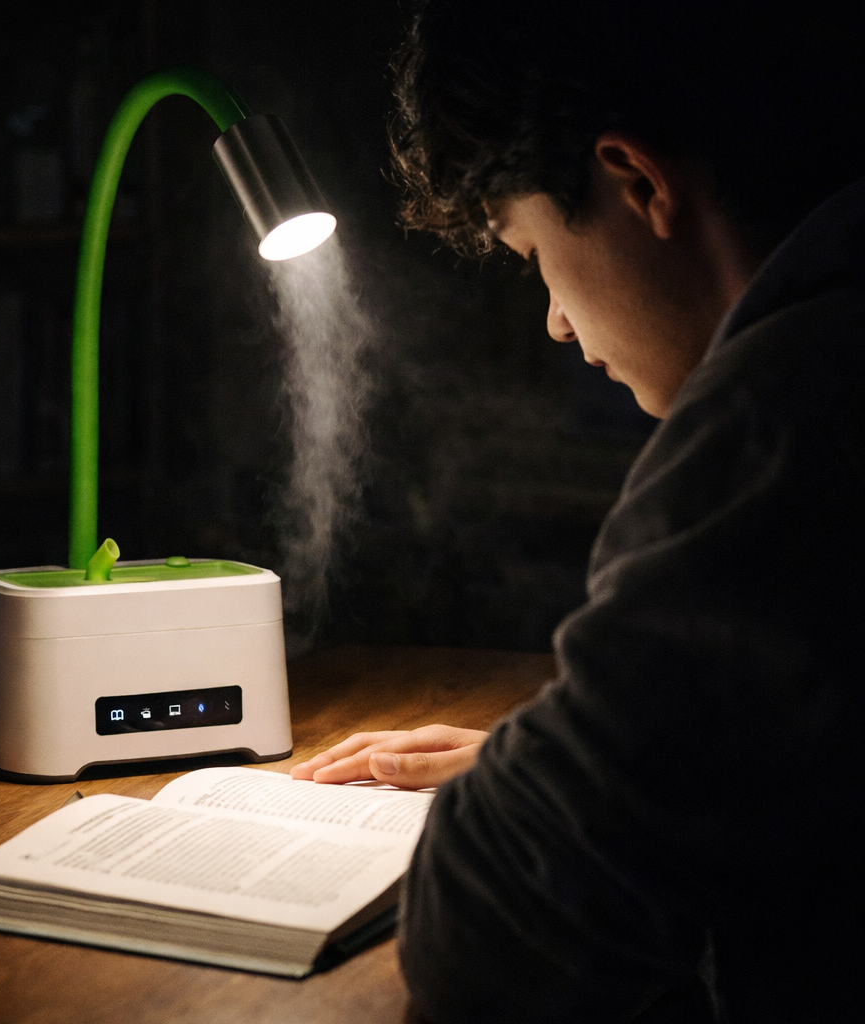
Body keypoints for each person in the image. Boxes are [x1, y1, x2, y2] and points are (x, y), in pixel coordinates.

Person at [291, 1, 864, 1020]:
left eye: (533, 255)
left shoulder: (786, 404)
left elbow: (498, 919)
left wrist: (544, 810)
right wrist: (583, 751)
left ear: (636, 181)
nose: (554, 320)